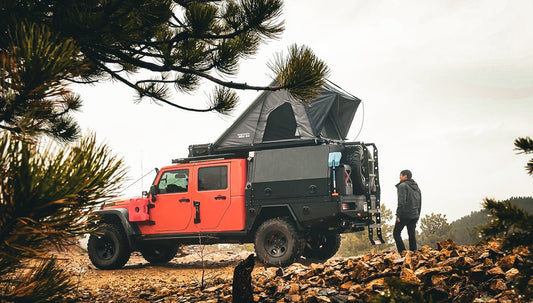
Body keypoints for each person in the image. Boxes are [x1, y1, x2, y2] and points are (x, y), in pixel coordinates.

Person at [393, 169, 422, 253]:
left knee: (396, 233)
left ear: (405, 176)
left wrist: (398, 215)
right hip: (414, 215)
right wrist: (418, 216)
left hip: (404, 214)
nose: (399, 177)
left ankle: (403, 252)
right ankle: (414, 253)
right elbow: (420, 202)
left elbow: (401, 202)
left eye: (401, 175)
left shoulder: (402, 186)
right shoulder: (417, 188)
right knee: (411, 234)